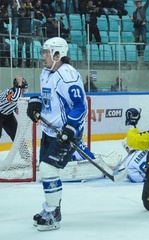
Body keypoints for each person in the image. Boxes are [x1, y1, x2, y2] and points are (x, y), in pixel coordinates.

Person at [26, 37, 88, 231]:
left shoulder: (67, 75)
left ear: (57, 54)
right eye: (43, 52)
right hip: (49, 131)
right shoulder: (46, 72)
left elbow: (80, 106)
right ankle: (53, 208)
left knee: (48, 169)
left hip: (66, 131)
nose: (42, 56)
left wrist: (70, 128)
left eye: (46, 52)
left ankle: (53, 213)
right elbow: (49, 96)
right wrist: (36, 101)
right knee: (47, 172)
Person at [0, 76, 28, 141]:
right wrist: (20, 85)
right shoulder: (9, 92)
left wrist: (15, 108)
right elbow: (14, 99)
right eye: (23, 89)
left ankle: (24, 151)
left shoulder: (16, 94)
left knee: (17, 136)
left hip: (8, 115)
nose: (24, 92)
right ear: (16, 88)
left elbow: (12, 102)